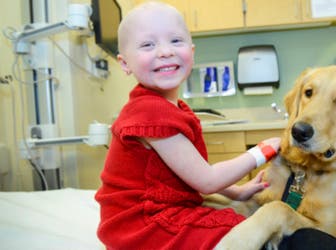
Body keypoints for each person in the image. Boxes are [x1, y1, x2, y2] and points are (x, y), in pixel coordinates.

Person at [94, 2, 281, 249]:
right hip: (142, 227)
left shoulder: (171, 107)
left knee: (243, 223)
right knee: (244, 231)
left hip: (151, 215)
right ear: (125, 63)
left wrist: (235, 192)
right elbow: (206, 180)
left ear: (192, 52)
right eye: (148, 44)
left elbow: (193, 172)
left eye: (175, 41)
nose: (165, 52)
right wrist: (263, 150)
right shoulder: (151, 111)